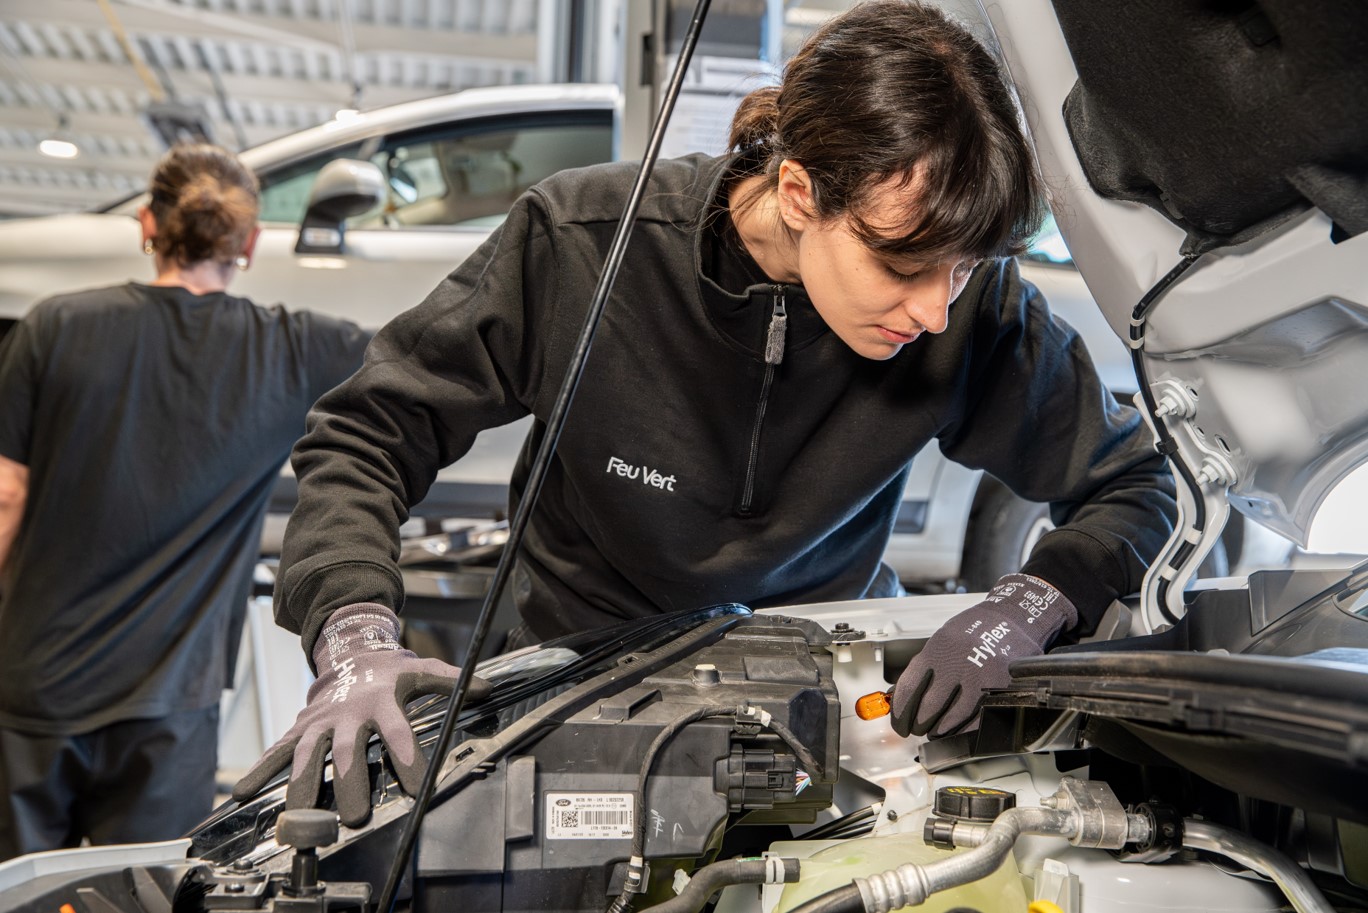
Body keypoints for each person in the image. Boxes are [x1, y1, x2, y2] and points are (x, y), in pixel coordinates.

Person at [234, 0, 1177, 827]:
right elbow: (367, 432)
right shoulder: (580, 247)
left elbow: (1135, 481)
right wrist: (354, 629)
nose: (935, 310)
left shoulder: (975, 314)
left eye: (965, 268)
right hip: (572, 688)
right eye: (901, 265)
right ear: (801, 192)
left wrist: (1028, 605)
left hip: (823, 712)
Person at [0, 143, 370, 859]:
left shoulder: (53, 325)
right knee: (142, 890)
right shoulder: (293, 351)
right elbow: (424, 354)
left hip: (34, 689)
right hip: (169, 709)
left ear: (147, 223)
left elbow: (6, 493)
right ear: (250, 243)